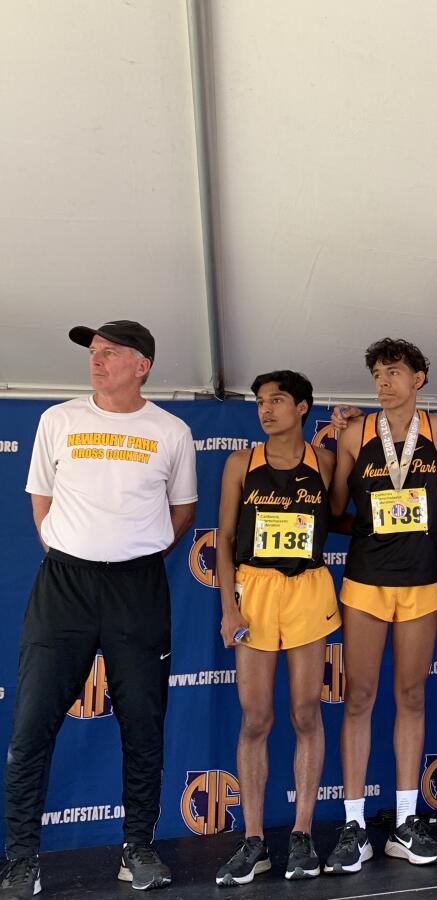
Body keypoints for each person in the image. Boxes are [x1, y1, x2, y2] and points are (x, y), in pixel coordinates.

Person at [2, 321, 196, 898]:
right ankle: (20, 860)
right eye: (94, 352)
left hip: (136, 590)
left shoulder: (172, 431)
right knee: (31, 723)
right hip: (63, 586)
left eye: (111, 353)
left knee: (142, 724)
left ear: (143, 365)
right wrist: (74, 551)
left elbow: (181, 512)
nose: (98, 360)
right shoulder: (57, 420)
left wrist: (131, 556)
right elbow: (42, 502)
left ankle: (137, 847)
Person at [324, 339, 437, 874]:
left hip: (424, 581)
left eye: (395, 371)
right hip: (366, 580)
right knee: (358, 696)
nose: (384, 381)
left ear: (419, 378)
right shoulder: (356, 432)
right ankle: (354, 825)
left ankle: (405, 820)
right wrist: (333, 445)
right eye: (378, 372)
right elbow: (336, 507)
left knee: (410, 695)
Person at [212, 371, 339, 885]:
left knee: (307, 712)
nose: (266, 410)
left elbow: (345, 515)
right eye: (261, 402)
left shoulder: (325, 463)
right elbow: (222, 540)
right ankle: (254, 840)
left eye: (277, 401)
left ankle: (303, 835)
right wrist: (229, 608)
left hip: (308, 588)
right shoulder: (240, 463)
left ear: (303, 406)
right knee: (256, 718)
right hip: (255, 592)